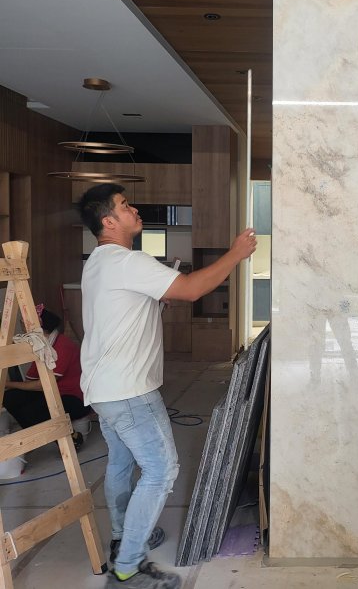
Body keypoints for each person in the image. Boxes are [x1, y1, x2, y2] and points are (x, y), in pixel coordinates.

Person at [78, 183, 256, 589]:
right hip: (129, 390)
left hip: (104, 389)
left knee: (122, 463)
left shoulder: (99, 262)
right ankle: (127, 569)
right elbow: (192, 289)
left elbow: (122, 308)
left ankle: (123, 537)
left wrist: (154, 299)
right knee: (161, 471)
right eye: (125, 206)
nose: (134, 209)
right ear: (108, 221)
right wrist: (236, 254)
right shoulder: (128, 261)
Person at [3, 305, 90, 450]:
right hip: (54, 393)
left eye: (24, 323)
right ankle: (36, 437)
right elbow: (30, 381)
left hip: (75, 399)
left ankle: (72, 439)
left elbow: (43, 384)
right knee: (11, 398)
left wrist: (8, 384)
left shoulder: (62, 344)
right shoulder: (41, 345)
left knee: (32, 410)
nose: (23, 328)